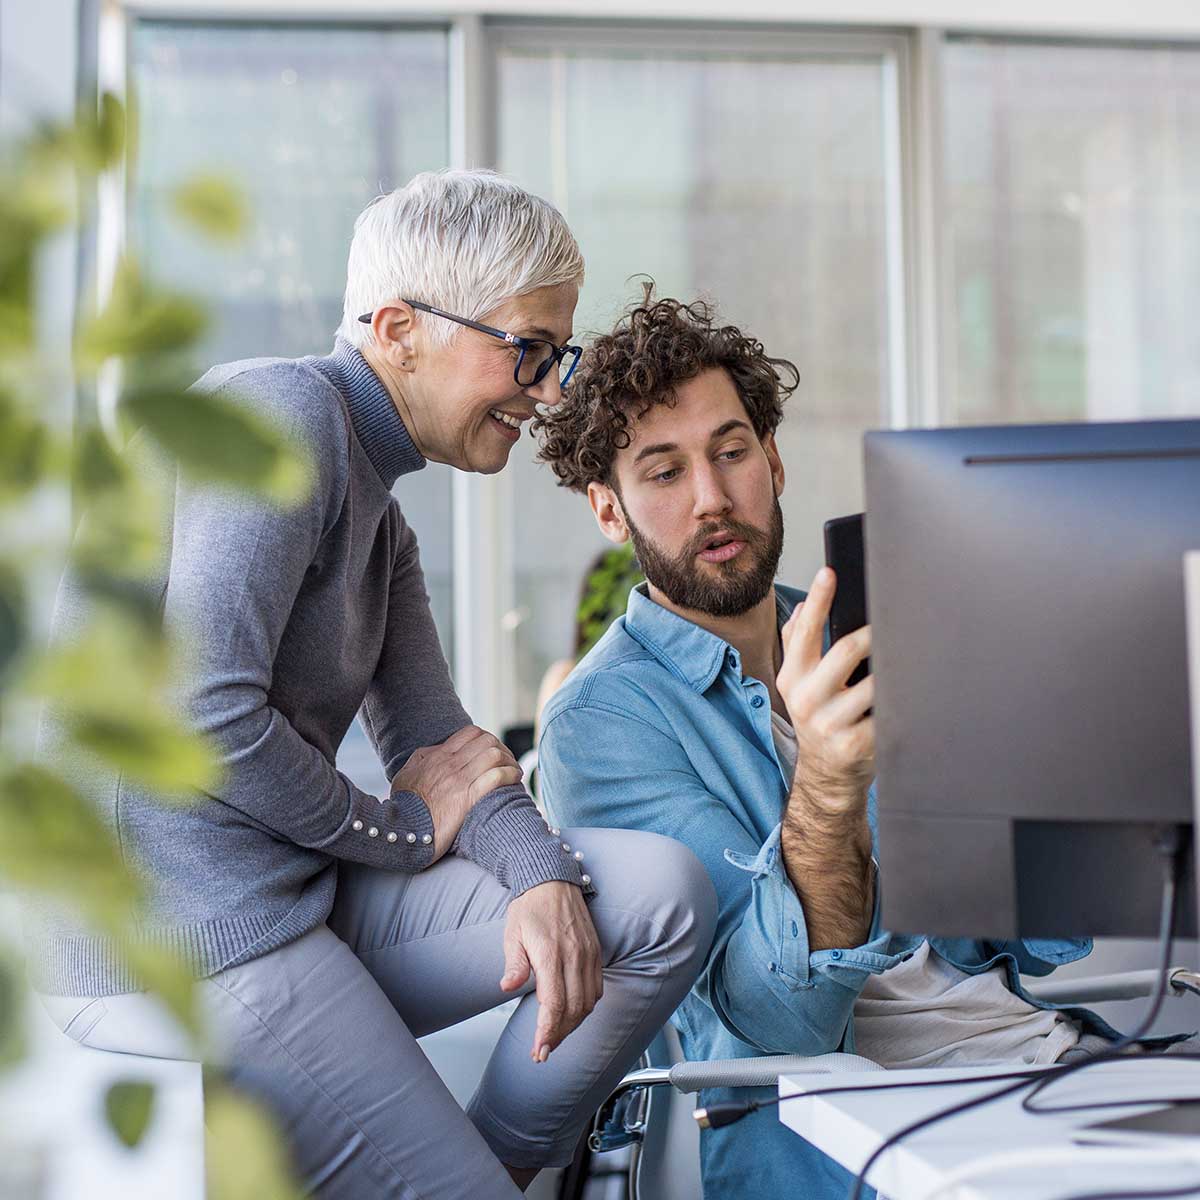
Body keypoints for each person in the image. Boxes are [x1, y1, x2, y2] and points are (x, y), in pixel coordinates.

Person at [30, 175, 716, 1199]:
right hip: (189, 928)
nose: (549, 390)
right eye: (528, 349)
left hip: (287, 886)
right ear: (399, 329)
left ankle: (496, 1174)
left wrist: (535, 874)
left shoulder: (379, 511)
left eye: (556, 354)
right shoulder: (284, 412)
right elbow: (205, 717)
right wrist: (398, 830)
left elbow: (437, 738)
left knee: (659, 900)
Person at [534, 293, 1140, 1200]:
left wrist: (1047, 726)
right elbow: (780, 1018)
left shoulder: (872, 626)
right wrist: (826, 781)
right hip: (851, 1131)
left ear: (771, 460)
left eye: (732, 452)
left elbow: (1032, 935)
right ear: (610, 512)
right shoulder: (601, 726)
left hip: (1044, 1069)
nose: (711, 497)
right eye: (663, 473)